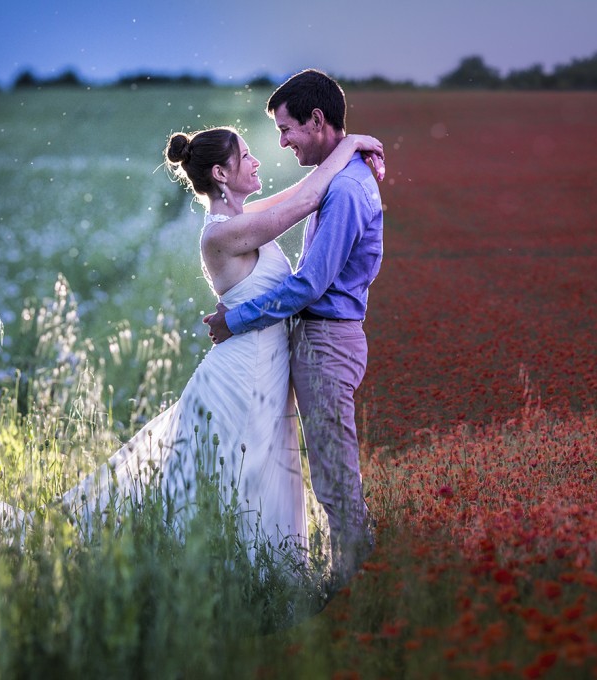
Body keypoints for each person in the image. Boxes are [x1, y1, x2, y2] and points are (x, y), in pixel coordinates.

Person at [30, 124, 384, 567]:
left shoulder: (245, 219)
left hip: (266, 367)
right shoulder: (220, 234)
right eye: (247, 156)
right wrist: (350, 145)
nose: (257, 162)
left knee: (256, 472)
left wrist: (346, 152)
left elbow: (301, 190)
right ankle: (219, 570)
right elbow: (309, 199)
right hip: (245, 371)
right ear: (220, 172)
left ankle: (263, 571)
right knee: (228, 475)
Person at [204, 69, 384, 588]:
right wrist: (350, 145)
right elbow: (295, 200)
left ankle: (355, 579)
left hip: (328, 341)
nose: (281, 142)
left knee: (332, 472)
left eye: (287, 130)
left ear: (318, 120)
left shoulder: (347, 190)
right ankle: (348, 572)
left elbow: (308, 285)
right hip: (319, 339)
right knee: (326, 467)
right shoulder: (343, 177)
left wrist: (234, 319)